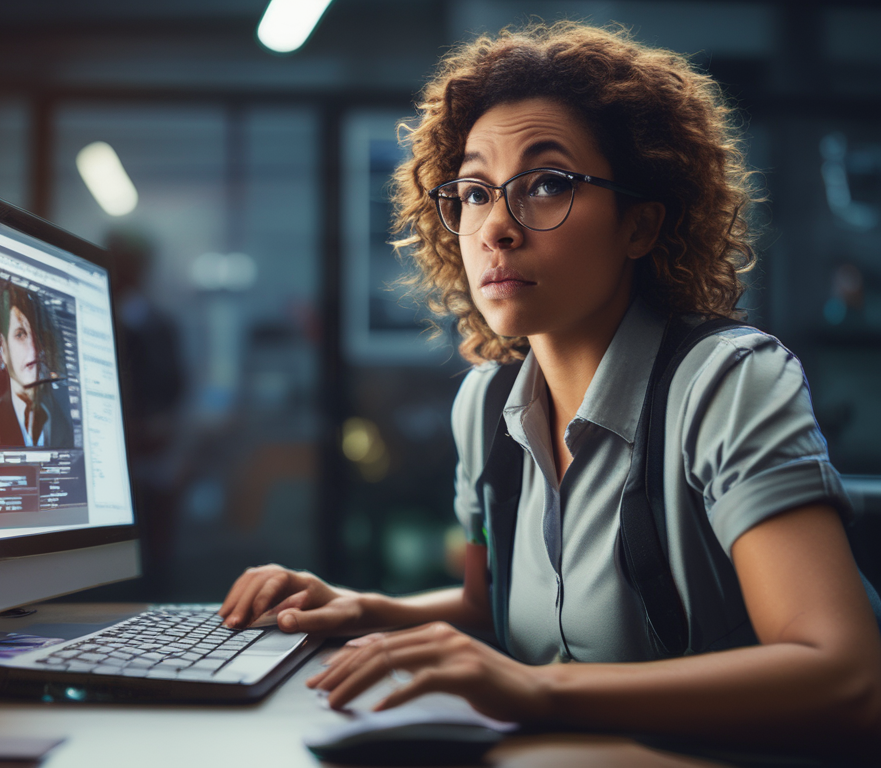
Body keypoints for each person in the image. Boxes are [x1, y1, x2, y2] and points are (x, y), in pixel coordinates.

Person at [218, 22, 881, 755]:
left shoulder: (727, 384)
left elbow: (847, 676)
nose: (497, 226)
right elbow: (484, 602)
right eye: (473, 192)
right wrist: (360, 608)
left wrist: (539, 688)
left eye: (548, 183)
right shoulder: (483, 408)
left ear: (641, 225)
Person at [0, 281, 74, 449]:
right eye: (20, 334)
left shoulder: (63, 419)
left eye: (38, 335)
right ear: (1, 351)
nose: (33, 348)